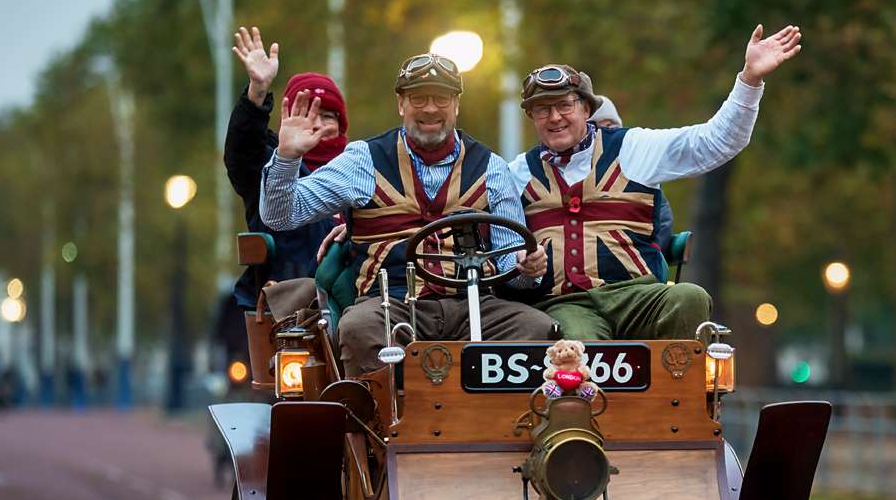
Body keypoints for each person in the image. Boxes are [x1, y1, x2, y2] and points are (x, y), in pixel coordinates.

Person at [260, 52, 555, 375]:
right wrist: (287, 157)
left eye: (441, 98)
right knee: (358, 328)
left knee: (537, 328)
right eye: (418, 98)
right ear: (401, 104)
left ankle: (498, 421)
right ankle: (374, 421)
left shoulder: (493, 169)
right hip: (390, 304)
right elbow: (281, 216)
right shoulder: (363, 160)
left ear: (456, 104)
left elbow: (513, 264)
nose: (430, 108)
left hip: (472, 305)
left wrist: (528, 268)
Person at [506, 23, 802, 340]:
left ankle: (676, 386)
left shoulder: (633, 147)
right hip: (567, 304)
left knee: (690, 297)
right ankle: (587, 388)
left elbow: (715, 142)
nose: (554, 117)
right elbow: (500, 252)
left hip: (637, 297)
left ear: (586, 108)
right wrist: (522, 266)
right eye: (542, 110)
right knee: (578, 344)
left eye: (565, 105)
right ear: (532, 118)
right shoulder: (515, 173)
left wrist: (750, 79)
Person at [225, 26, 345, 311]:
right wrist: (257, 91)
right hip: (292, 307)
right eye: (305, 114)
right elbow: (242, 150)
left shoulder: (360, 168)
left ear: (342, 124)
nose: (316, 124)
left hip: (360, 297)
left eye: (327, 116)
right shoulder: (268, 166)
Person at [589, 96, 675, 277]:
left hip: (636, 272)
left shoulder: (637, 175)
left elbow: (662, 221)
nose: (606, 133)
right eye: (598, 128)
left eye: (611, 127)